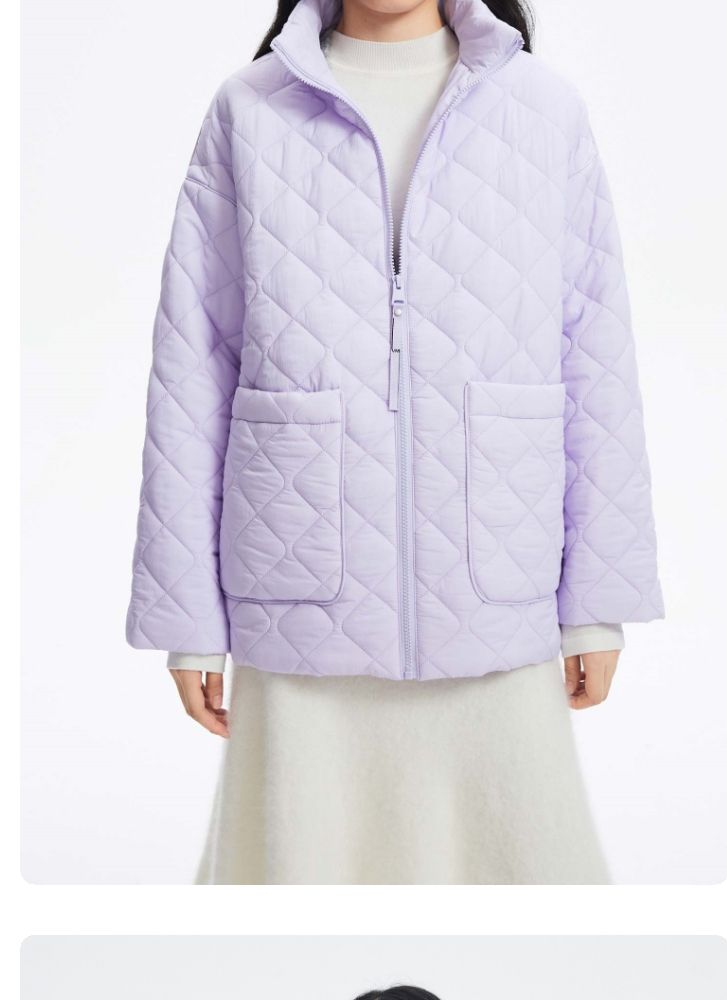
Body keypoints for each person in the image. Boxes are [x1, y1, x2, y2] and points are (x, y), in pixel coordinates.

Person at [127, 0, 663, 884]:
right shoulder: (248, 110)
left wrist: (596, 604)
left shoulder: (544, 109)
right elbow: (193, 367)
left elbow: (596, 360)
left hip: (496, 589)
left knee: (519, 886)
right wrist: (188, 624)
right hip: (301, 598)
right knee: (304, 891)